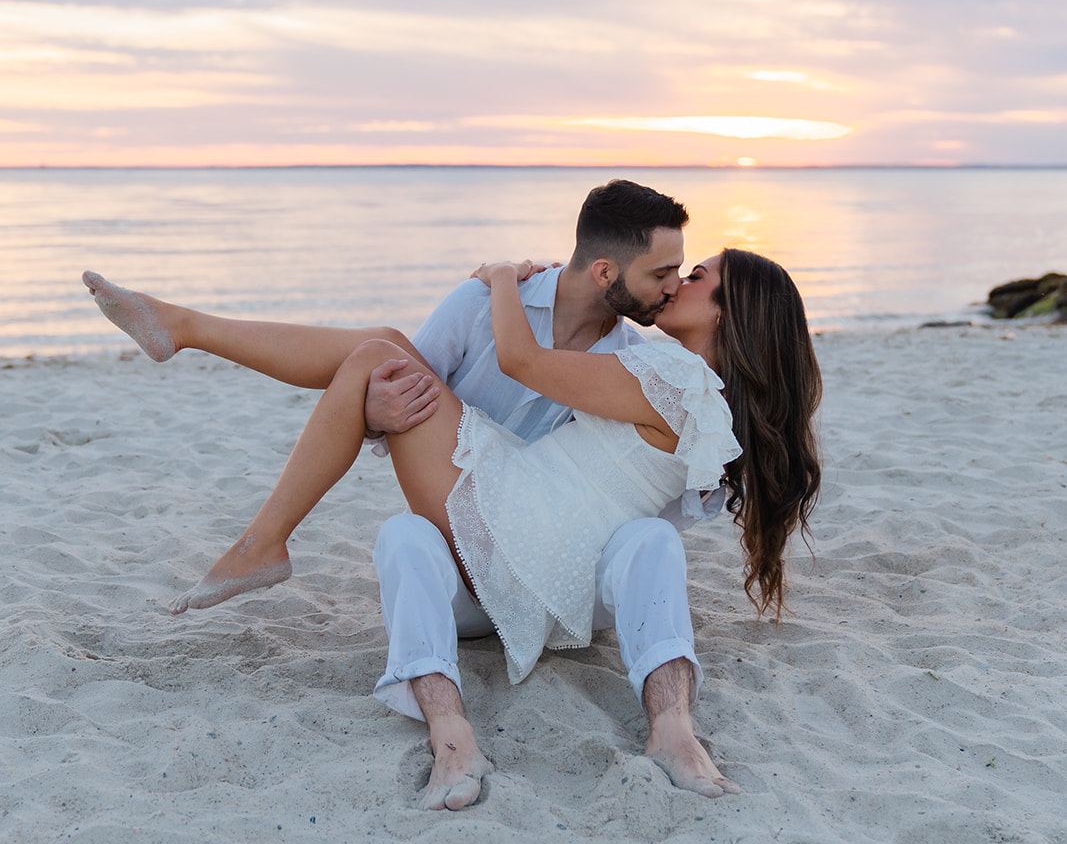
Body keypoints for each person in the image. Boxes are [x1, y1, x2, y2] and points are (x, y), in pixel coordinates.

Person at [82, 216, 821, 811]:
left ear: (731, 311)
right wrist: (369, 411)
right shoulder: (700, 395)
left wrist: (499, 276)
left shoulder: (669, 374)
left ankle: (257, 524)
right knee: (383, 354)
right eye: (673, 269)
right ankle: (184, 331)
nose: (677, 284)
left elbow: (523, 364)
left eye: (695, 278)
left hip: (520, 524)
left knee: (379, 356)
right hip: (533, 511)